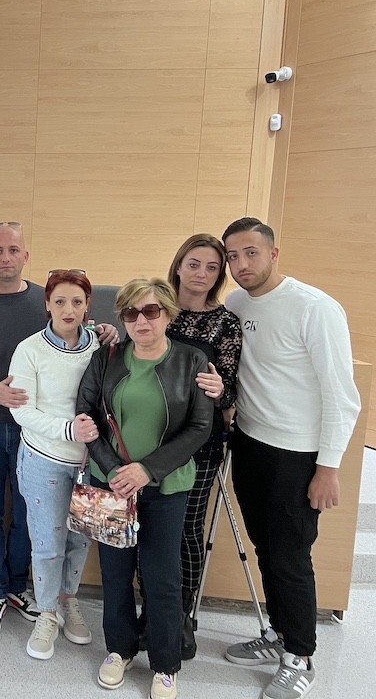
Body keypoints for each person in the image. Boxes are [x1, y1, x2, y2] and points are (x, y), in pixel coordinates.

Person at [0, 223, 119, 639]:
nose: (6, 257)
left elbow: (79, 332)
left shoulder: (48, 300)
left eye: (14, 250)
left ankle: (16, 587)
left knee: (30, 517)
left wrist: (106, 331)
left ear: (26, 256)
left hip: (42, 438)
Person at [221, 218, 361, 699]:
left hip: (297, 456)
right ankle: (280, 634)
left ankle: (300, 656)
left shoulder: (315, 307)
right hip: (249, 444)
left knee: (290, 557)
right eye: (233, 257)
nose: (241, 265)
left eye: (251, 253)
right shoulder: (236, 303)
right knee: (266, 548)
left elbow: (342, 395)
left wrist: (328, 467)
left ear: (274, 253)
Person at [76, 278, 212, 699]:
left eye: (151, 311)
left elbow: (200, 427)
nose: (141, 321)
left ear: (168, 314)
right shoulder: (106, 358)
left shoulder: (192, 360)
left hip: (167, 487)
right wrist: (115, 470)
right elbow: (86, 415)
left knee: (162, 577)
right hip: (113, 486)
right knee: (115, 574)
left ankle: (166, 663)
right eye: (131, 313)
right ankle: (119, 649)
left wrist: (146, 470)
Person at [8, 269, 99, 659]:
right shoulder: (29, 349)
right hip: (43, 459)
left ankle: (67, 599)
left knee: (80, 538)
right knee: (48, 541)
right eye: (60, 301)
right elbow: (21, 411)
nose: (68, 309)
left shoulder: (101, 346)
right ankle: (46, 613)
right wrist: (67, 429)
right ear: (47, 304)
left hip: (90, 464)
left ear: (87, 305)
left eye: (77, 302)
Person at [163, 233, 241, 658]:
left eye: (212, 267)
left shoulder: (226, 322)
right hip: (151, 437)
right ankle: (153, 608)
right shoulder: (156, 307)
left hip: (200, 440)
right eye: (194, 264)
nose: (202, 274)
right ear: (178, 265)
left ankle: (182, 615)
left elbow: (231, 393)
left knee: (187, 529)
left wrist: (219, 390)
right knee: (152, 527)